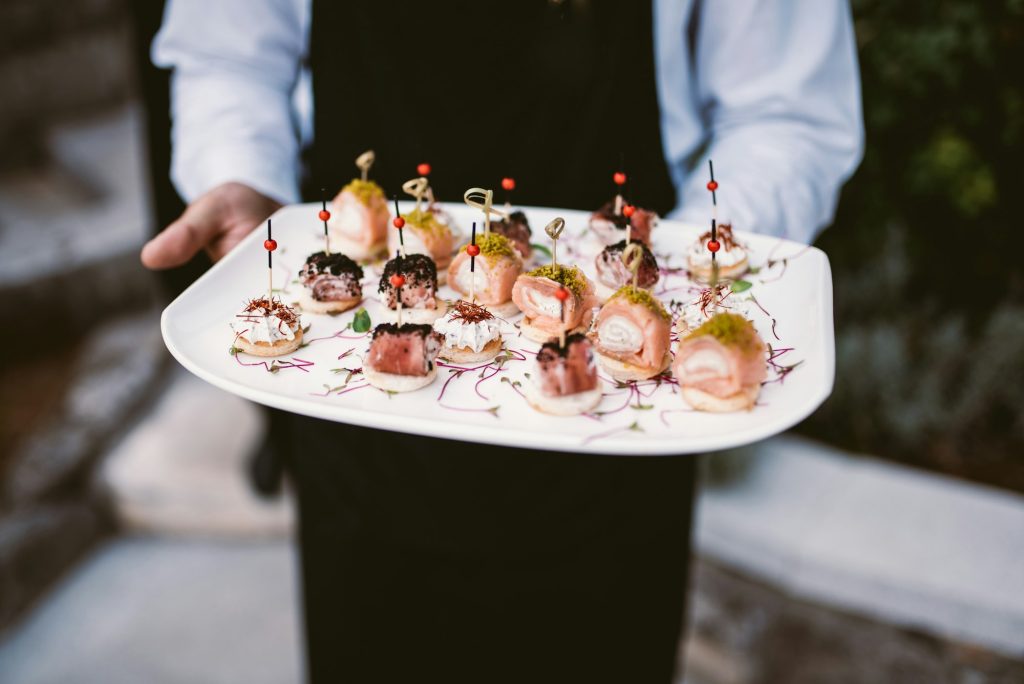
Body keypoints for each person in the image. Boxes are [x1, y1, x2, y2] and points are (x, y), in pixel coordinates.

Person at [143, 1, 863, 682]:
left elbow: (787, 113)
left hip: (617, 460)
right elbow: (227, 54)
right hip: (356, 440)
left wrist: (686, 263)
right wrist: (240, 176)